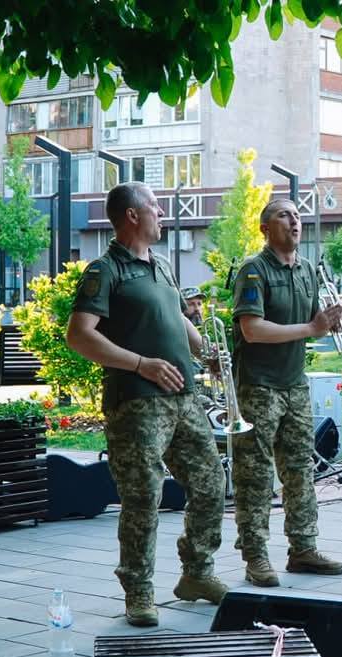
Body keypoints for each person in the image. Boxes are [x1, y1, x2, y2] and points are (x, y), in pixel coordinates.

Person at [66, 182, 227, 627]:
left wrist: (205, 353)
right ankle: (138, 591)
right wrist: (141, 364)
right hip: (136, 403)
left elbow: (176, 317)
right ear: (133, 215)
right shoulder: (105, 270)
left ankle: (197, 573)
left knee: (212, 483)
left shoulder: (163, 266)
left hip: (183, 398)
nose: (161, 212)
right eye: (155, 206)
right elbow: (79, 335)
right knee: (143, 496)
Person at [229, 198, 342, 586]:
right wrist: (312, 329)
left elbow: (313, 321)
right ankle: (256, 556)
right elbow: (252, 330)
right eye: (284, 215)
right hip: (259, 386)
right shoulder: (254, 269)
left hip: (294, 384)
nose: (294, 221)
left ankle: (303, 549)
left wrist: (328, 321)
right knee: (255, 474)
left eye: (297, 216)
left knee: (300, 470)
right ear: (265, 228)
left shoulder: (308, 269)